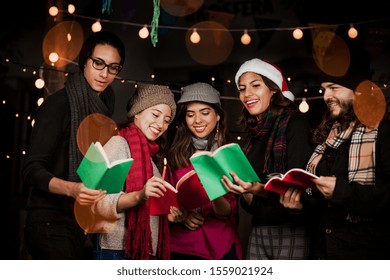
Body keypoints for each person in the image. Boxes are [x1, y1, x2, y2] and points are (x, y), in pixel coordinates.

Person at [22, 31, 126, 259]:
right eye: (98, 63)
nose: (104, 73)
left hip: (78, 222)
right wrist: (73, 189)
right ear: (85, 62)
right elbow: (31, 170)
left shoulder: (104, 109)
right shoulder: (58, 105)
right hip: (49, 220)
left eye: (113, 67)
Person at [221, 58, 314, 259]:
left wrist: (255, 188)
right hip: (259, 229)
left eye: (256, 85)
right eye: (242, 88)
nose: (247, 94)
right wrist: (243, 189)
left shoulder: (294, 124)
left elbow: (298, 185)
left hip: (292, 228)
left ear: (273, 90)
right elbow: (251, 203)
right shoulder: (251, 136)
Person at [304, 51, 390, 259]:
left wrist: (342, 191)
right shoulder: (330, 135)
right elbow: (319, 202)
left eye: (333, 88)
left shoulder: (384, 132)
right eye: (324, 89)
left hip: (365, 252)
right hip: (322, 250)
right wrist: (299, 203)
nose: (326, 96)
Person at [90, 83, 178, 260]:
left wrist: (171, 214)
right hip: (117, 251)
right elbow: (97, 203)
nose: (161, 124)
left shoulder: (152, 156)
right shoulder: (118, 143)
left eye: (167, 120)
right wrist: (139, 196)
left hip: (144, 252)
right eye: (155, 114)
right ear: (137, 111)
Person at [167, 82, 242, 260]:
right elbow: (166, 201)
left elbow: (229, 212)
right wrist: (182, 215)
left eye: (205, 113)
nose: (197, 120)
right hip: (181, 246)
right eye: (190, 114)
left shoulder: (229, 153)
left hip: (219, 244)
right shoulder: (175, 154)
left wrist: (212, 188)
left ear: (217, 116)